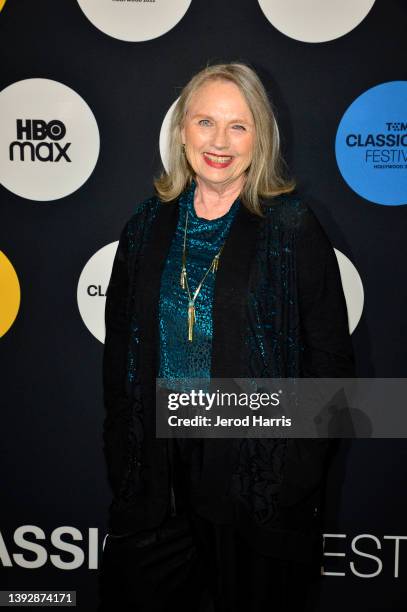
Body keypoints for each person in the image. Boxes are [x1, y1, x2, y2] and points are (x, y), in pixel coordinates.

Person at [98, 62, 355, 611]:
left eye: (238, 126)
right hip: (157, 478)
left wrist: (292, 475)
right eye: (205, 122)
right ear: (181, 130)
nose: (219, 142)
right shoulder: (145, 225)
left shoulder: (292, 226)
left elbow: (331, 361)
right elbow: (119, 344)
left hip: (252, 478)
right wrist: (123, 453)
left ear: (260, 136)